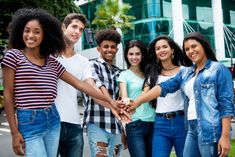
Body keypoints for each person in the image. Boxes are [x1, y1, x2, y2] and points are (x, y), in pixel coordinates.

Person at [2, 8, 114, 157]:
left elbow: (80, 85)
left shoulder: (52, 62)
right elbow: (8, 94)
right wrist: (14, 132)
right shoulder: (14, 56)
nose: (30, 35)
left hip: (53, 119)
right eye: (26, 30)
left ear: (45, 35)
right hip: (29, 120)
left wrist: (111, 102)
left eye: (36, 32)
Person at [129, 32, 235, 157]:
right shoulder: (187, 73)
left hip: (209, 127)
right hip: (190, 128)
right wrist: (136, 103)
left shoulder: (218, 69)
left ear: (203, 46)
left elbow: (226, 104)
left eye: (194, 46)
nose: (191, 51)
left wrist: (225, 136)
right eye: (187, 49)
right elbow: (164, 87)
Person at [144, 35, 188, 157]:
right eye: (158, 48)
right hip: (161, 124)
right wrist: (132, 103)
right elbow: (145, 93)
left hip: (182, 122)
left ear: (172, 50)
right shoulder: (153, 75)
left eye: (165, 47)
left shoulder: (184, 71)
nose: (161, 50)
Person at [82, 29, 124, 157]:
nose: (109, 50)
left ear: (116, 49)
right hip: (97, 122)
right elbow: (98, 87)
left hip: (116, 126)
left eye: (112, 47)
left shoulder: (120, 72)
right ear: (98, 48)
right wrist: (112, 103)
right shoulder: (92, 65)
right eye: (105, 46)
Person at [55, 13, 89, 157]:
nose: (77, 32)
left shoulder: (83, 61)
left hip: (74, 124)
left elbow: (91, 88)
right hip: (50, 123)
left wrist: (113, 104)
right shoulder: (47, 55)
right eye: (74, 26)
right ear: (63, 27)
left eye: (81, 29)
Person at [117, 40, 155, 157]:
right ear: (126, 55)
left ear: (143, 55)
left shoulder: (150, 73)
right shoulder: (124, 75)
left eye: (137, 54)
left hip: (154, 123)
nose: (134, 57)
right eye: (131, 54)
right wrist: (126, 100)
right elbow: (124, 96)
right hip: (135, 124)